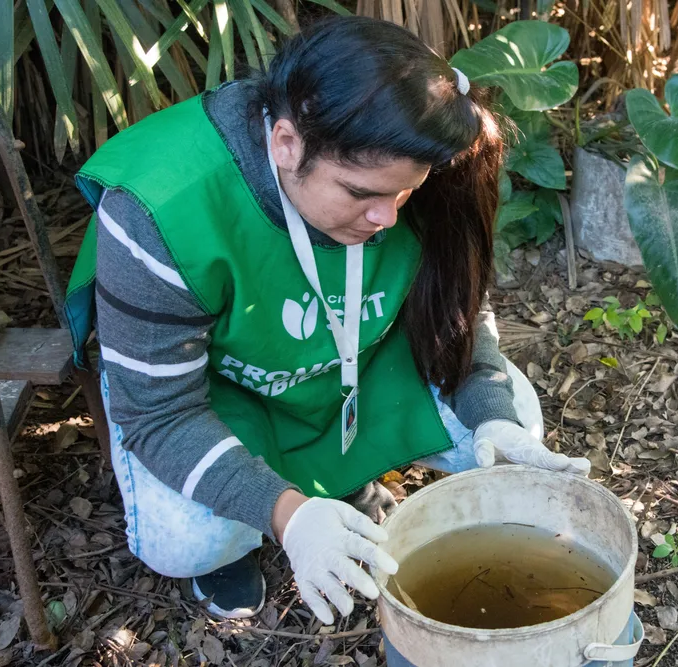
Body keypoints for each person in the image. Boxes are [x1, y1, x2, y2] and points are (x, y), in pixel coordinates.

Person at [64, 16, 590, 625]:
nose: (386, 219)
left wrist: (492, 420)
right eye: (359, 192)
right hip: (225, 392)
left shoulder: (417, 161)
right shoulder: (162, 205)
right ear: (286, 143)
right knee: (190, 539)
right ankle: (250, 534)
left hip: (361, 364)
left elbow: (457, 322)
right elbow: (158, 412)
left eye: (403, 193)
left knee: (510, 430)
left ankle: (344, 479)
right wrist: (290, 516)